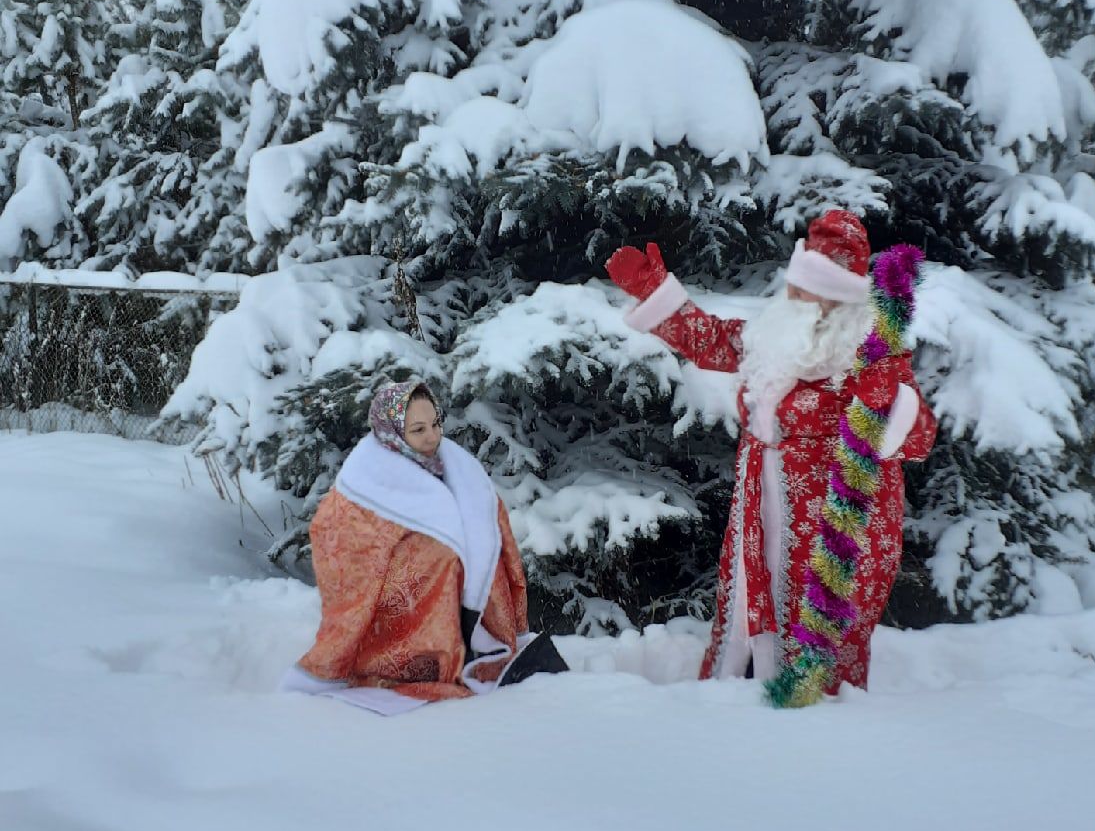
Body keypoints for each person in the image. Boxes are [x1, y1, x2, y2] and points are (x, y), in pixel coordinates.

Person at [606, 210, 936, 694]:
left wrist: (893, 400)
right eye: (795, 285)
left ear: (838, 299)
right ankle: (737, 694)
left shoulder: (869, 358)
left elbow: (917, 437)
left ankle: (809, 721)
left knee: (815, 626)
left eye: (808, 289)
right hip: (762, 508)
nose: (794, 296)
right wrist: (655, 292)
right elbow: (713, 340)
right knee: (748, 607)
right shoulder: (773, 337)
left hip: (831, 524)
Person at [282, 379, 566, 715]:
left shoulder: (454, 466)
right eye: (418, 429)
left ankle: (466, 645)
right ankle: (424, 659)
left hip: (457, 606)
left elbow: (486, 521)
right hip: (394, 614)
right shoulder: (363, 481)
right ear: (393, 434)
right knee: (435, 556)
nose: (432, 437)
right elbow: (341, 545)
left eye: (435, 424)